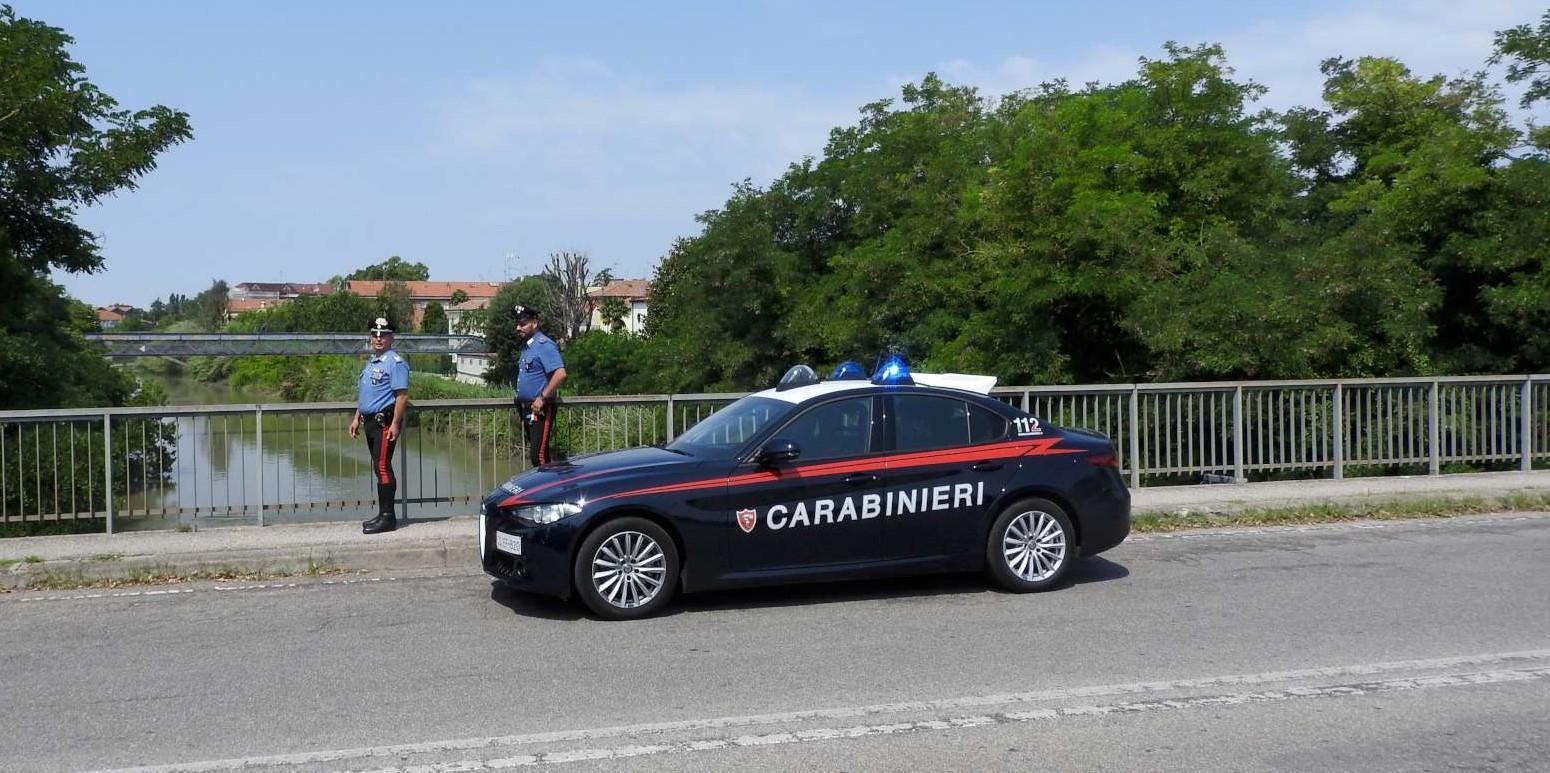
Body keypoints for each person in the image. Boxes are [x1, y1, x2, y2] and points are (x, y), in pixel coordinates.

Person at [349, 317, 410, 534]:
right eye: (375, 334)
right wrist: (357, 417)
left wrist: (395, 424)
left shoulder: (395, 362)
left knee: (383, 467)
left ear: (391, 337)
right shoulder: (372, 362)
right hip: (370, 422)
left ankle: (388, 518)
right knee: (378, 467)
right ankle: (382, 514)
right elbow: (366, 394)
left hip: (384, 422)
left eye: (383, 335)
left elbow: (401, 396)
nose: (378, 338)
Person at [513, 305, 566, 467]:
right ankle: (549, 490)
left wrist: (542, 398)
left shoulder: (544, 345)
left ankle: (547, 490)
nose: (518, 328)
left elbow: (560, 374)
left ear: (534, 324)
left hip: (540, 408)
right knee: (539, 454)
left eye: (523, 324)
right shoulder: (528, 346)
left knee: (539, 456)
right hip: (528, 408)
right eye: (518, 324)